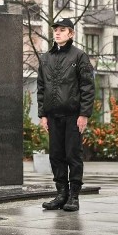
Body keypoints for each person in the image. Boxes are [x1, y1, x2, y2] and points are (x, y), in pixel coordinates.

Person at [37, 17, 95, 212]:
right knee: (56, 156)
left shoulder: (79, 57)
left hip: (73, 116)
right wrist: (43, 115)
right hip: (53, 116)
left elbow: (88, 86)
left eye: (62, 30)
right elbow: (41, 87)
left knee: (73, 155)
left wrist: (84, 114)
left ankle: (74, 197)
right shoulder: (46, 58)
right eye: (56, 30)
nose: (57, 33)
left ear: (71, 33)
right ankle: (61, 195)